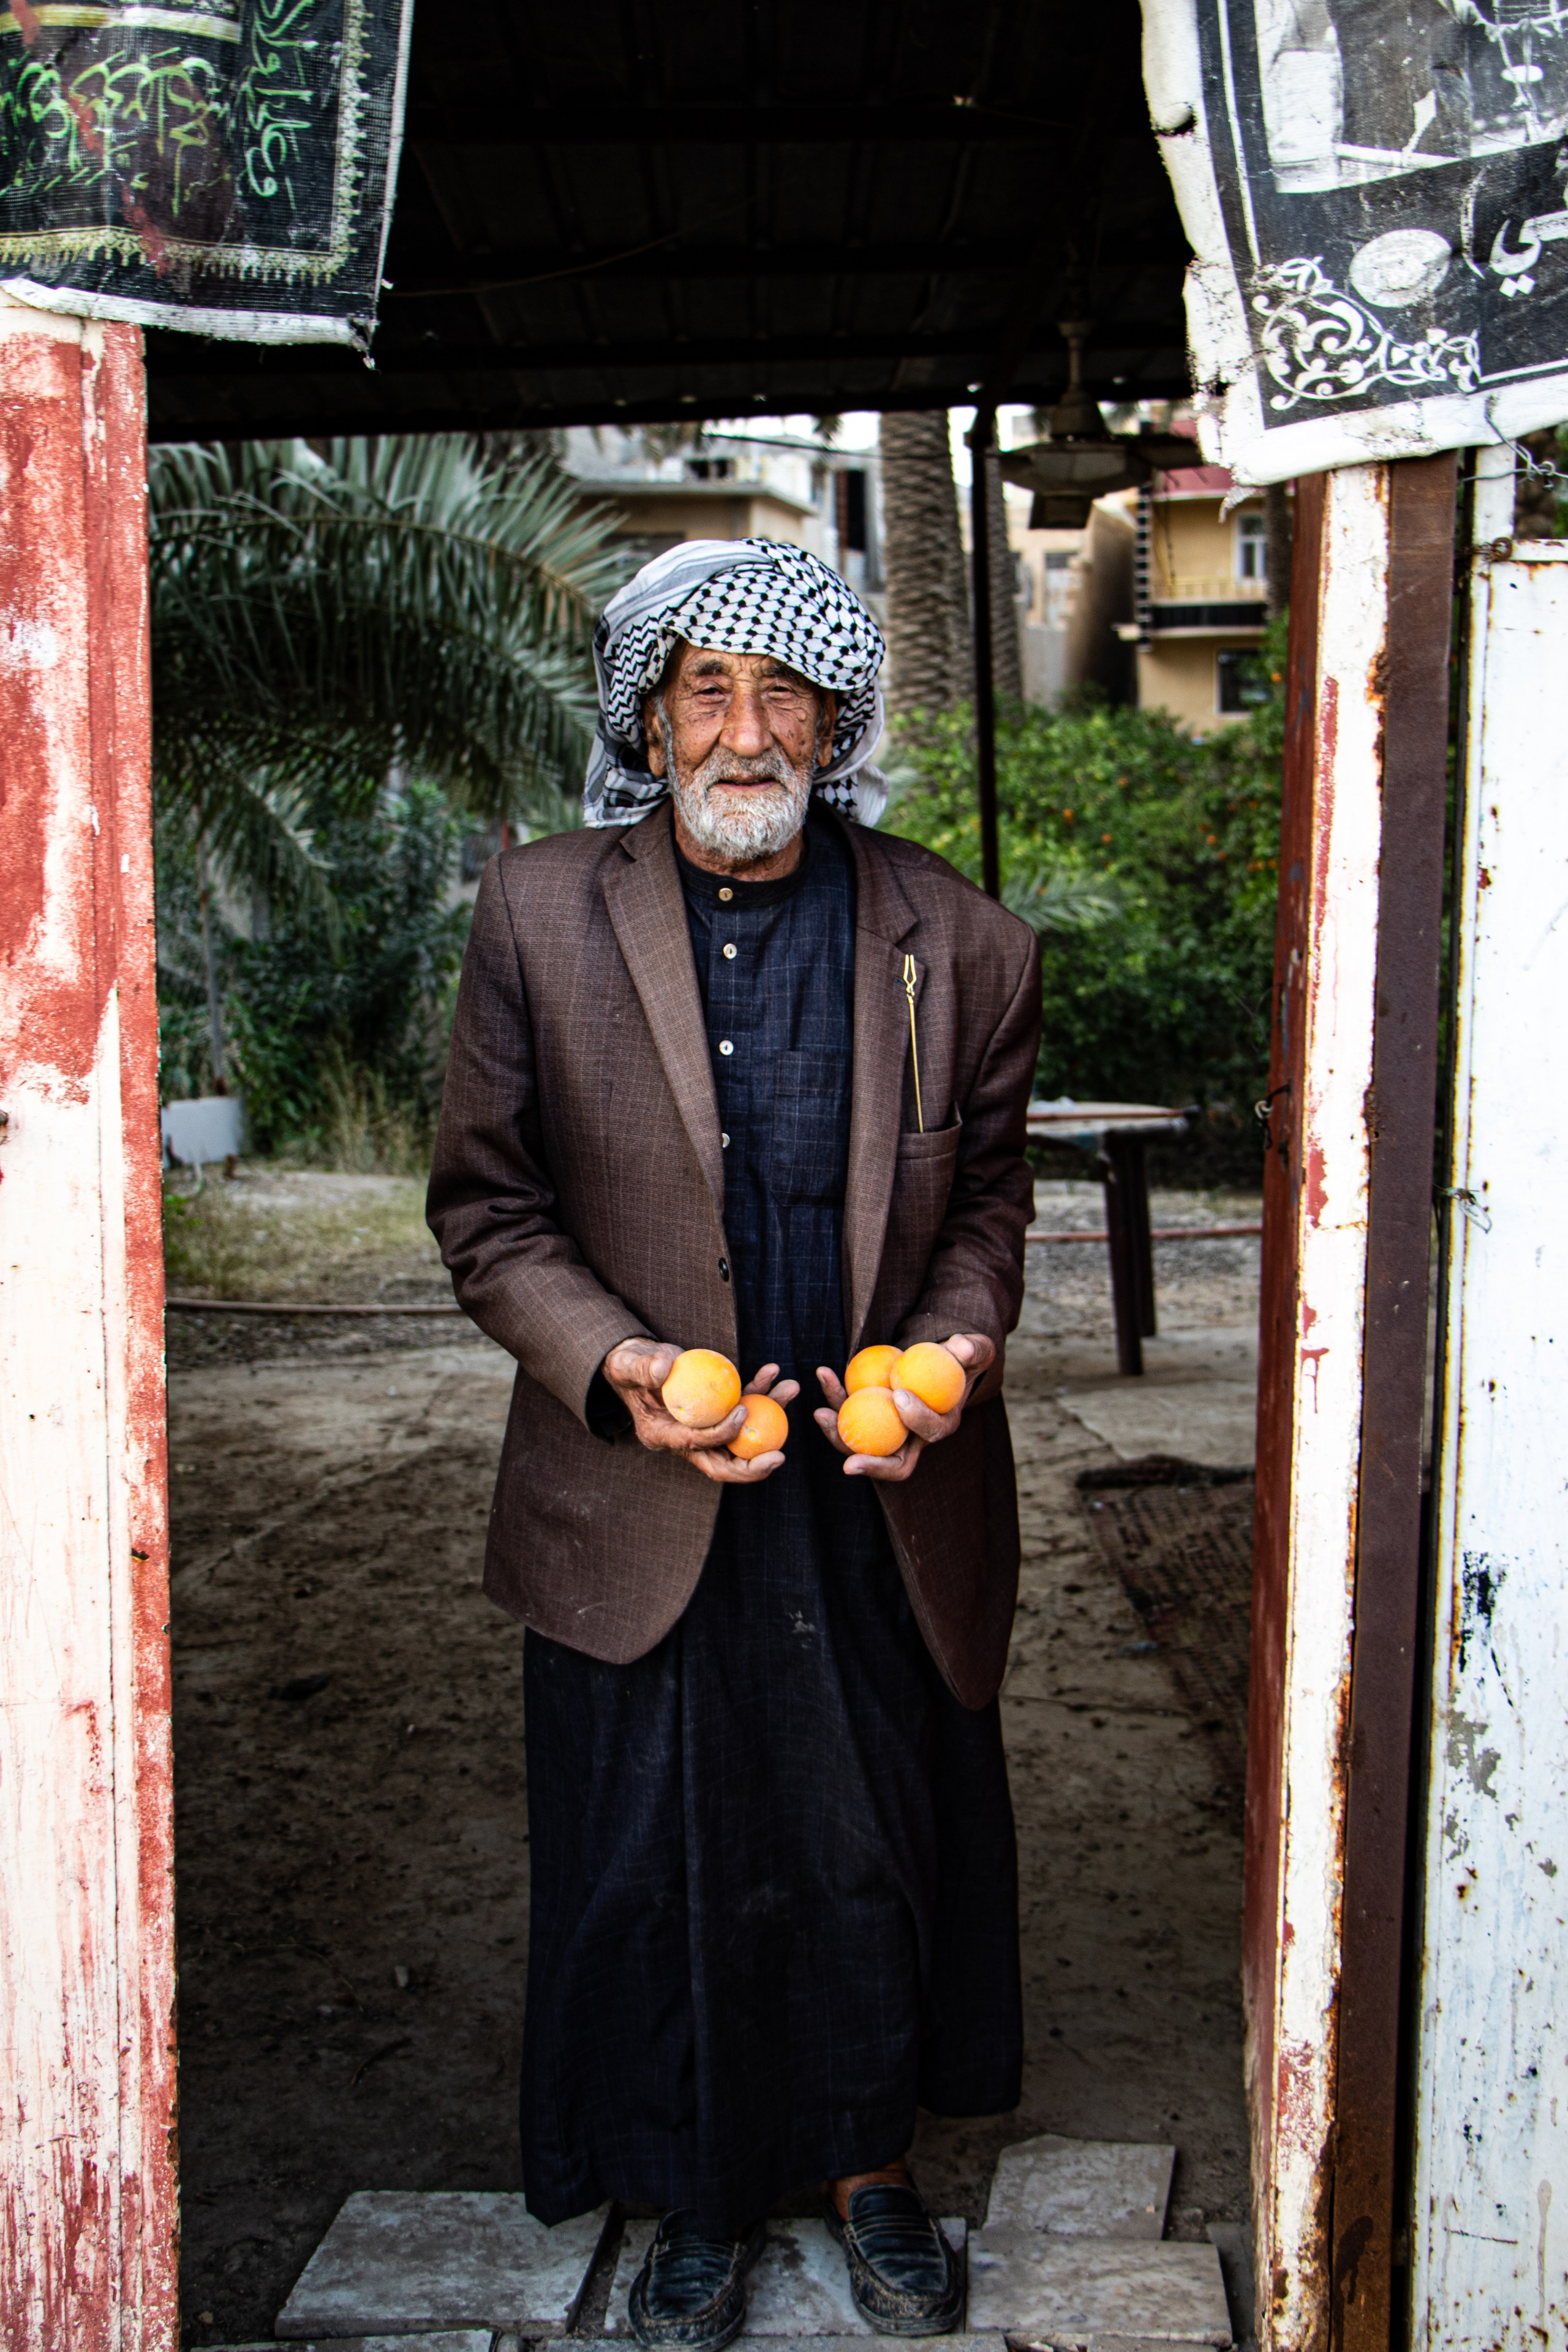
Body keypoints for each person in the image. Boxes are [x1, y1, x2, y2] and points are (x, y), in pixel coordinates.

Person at [428, 538, 1041, 2348]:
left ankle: (869, 2168)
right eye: (707, 687)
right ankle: (690, 2187)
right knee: (655, 1842)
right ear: (650, 715)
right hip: (637, 1488)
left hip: (877, 1488)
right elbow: (487, 1210)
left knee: (869, 1834)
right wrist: (619, 1370)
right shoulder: (540, 913)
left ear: (837, 717)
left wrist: (951, 1358)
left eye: (785, 692)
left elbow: (992, 1208)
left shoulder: (963, 940)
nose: (746, 727)